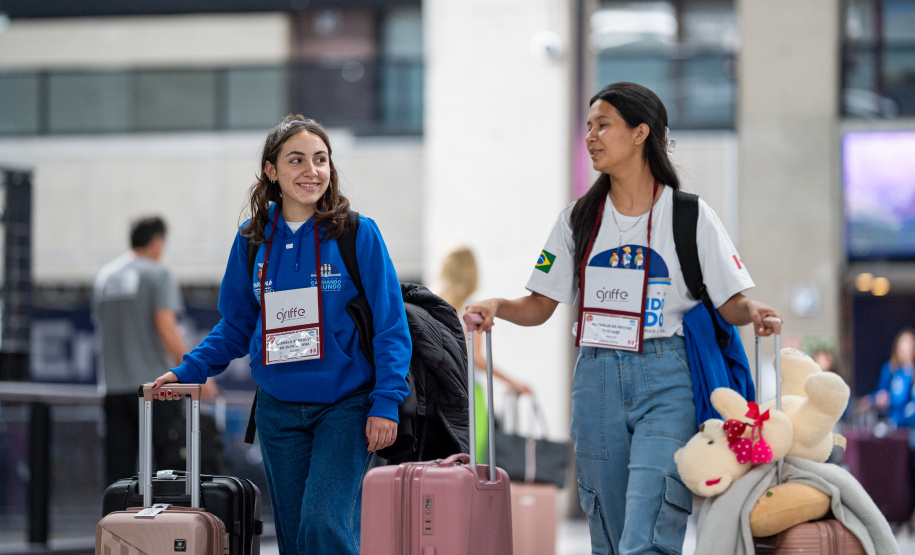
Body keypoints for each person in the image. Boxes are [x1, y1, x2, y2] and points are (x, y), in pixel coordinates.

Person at [465, 82, 781, 555]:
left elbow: (728, 301)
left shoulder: (690, 216)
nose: (591, 136)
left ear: (640, 133)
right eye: (588, 126)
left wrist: (752, 311)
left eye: (603, 125)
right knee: (610, 536)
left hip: (668, 378)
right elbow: (540, 305)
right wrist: (499, 307)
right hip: (596, 379)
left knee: (647, 530)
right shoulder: (577, 219)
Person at [152, 115, 411, 555]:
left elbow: (391, 324)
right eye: (297, 160)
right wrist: (188, 371)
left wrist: (386, 401)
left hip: (346, 406)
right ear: (271, 170)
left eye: (321, 160)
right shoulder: (252, 239)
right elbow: (236, 325)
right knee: (293, 539)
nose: (312, 171)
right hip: (278, 410)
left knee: (324, 524)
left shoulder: (356, 233)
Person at [93, 215, 219, 486]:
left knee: (118, 475)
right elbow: (166, 329)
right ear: (157, 242)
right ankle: (161, 516)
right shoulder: (157, 274)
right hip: (156, 389)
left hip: (113, 389)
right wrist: (197, 373)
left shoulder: (105, 277)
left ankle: (117, 515)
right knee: (167, 472)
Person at [433, 245, 532, 462]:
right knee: (472, 458)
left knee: (445, 459)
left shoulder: (436, 304)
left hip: (440, 390)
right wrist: (513, 382)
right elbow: (475, 356)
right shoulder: (473, 306)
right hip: (468, 392)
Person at [859, 328, 915, 427]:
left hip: (909, 424)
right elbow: (882, 393)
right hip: (891, 423)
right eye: (901, 350)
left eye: (907, 350)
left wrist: (890, 400)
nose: (903, 354)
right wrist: (871, 400)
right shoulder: (890, 369)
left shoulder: (911, 372)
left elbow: (904, 400)